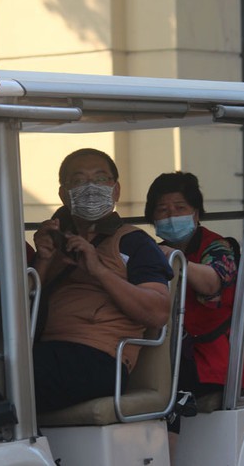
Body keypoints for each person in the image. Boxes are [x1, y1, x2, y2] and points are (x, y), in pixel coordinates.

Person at [31, 148, 172, 413]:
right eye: (79, 180)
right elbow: (20, 313)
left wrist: (99, 270)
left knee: (15, 375)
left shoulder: (135, 243)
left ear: (116, 190)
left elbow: (158, 312)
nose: (91, 187)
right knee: (2, 367)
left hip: (98, 358)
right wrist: (44, 260)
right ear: (64, 194)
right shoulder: (56, 242)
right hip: (47, 350)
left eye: (100, 179)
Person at [144, 172, 244, 462]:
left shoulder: (218, 247)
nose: (171, 215)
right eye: (163, 210)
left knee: (169, 387)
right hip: (162, 351)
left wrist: (174, 261)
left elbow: (212, 282)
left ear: (196, 212)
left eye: (179, 208)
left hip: (209, 360)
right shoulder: (148, 251)